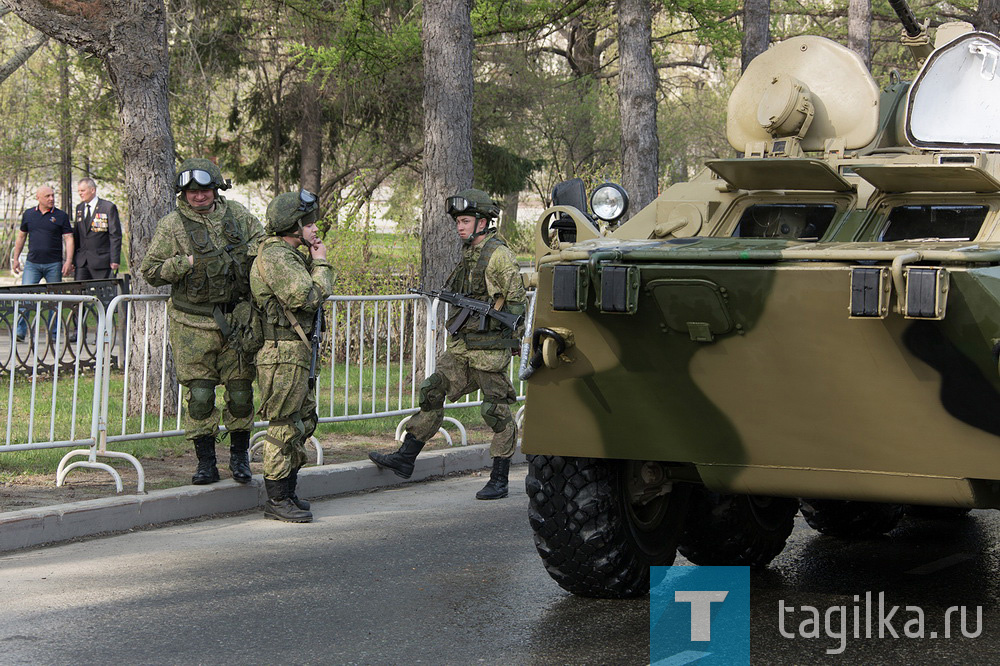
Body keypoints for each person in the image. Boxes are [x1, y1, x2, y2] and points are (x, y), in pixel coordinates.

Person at [368, 189, 526, 500]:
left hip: (489, 350)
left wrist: (512, 339)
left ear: (483, 222)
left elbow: (517, 305)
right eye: (458, 222)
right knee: (432, 389)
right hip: (462, 347)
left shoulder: (500, 256)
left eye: (466, 221)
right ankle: (406, 456)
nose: (460, 227)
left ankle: (500, 477)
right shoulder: (469, 254)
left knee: (495, 411)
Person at [140, 158, 264, 486]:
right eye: (192, 191)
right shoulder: (172, 225)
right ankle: (206, 462)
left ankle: (240, 458)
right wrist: (186, 262)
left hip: (237, 319)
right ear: (184, 192)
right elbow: (150, 271)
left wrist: (245, 254)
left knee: (240, 394)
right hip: (192, 323)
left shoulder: (237, 215)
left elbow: (266, 246)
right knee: (200, 396)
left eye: (205, 189)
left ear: (216, 189)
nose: (199, 196)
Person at [250, 190, 333, 522]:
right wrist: (323, 263)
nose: (315, 229)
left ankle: (289, 489)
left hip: (296, 351)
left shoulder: (289, 254)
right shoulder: (277, 256)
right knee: (284, 425)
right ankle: (277, 498)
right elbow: (306, 296)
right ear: (292, 226)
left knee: (303, 420)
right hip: (282, 353)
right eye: (309, 223)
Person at [11, 186, 74, 341]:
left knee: (55, 300)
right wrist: (15, 258)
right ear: (38, 197)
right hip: (32, 264)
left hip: (54, 264)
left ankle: (53, 334)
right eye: (47, 196)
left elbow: (69, 238)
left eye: (53, 195)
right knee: (25, 297)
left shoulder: (61, 216)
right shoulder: (29, 214)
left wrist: (68, 261)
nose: (51, 198)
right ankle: (20, 331)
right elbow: (21, 237)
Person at [72, 178, 123, 280]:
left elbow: (115, 235)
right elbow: (77, 235)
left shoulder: (107, 207)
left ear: (92, 190)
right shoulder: (79, 208)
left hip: (101, 260)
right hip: (82, 261)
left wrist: (115, 259)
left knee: (104, 293)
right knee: (79, 293)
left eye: (83, 191)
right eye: (79, 191)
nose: (80, 194)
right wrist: (74, 260)